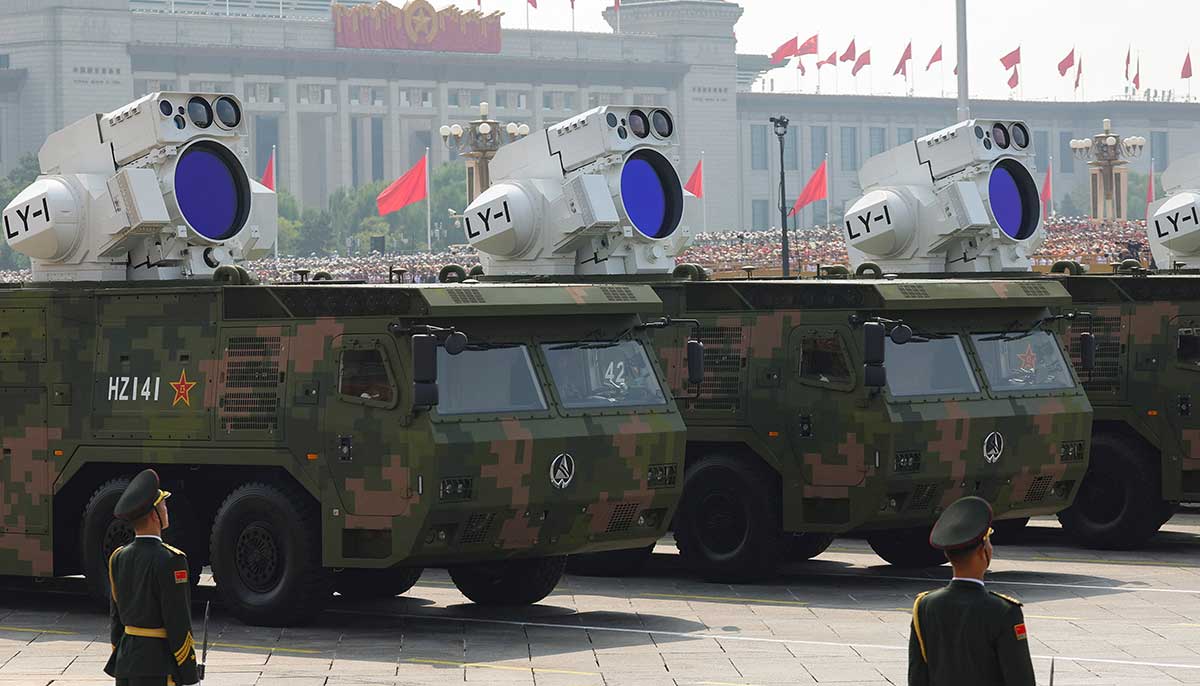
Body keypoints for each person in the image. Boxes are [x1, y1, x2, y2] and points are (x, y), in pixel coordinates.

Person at [908, 496, 1035, 686]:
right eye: (988, 541)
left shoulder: (924, 606)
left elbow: (917, 678)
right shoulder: (1004, 611)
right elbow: (1020, 680)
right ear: (982, 551)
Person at [103, 469, 199, 686]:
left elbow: (116, 619)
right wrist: (189, 672)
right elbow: (177, 621)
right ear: (154, 515)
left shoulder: (118, 557)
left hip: (126, 663)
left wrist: (122, 655)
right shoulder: (172, 560)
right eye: (163, 504)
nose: (166, 509)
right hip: (158, 666)